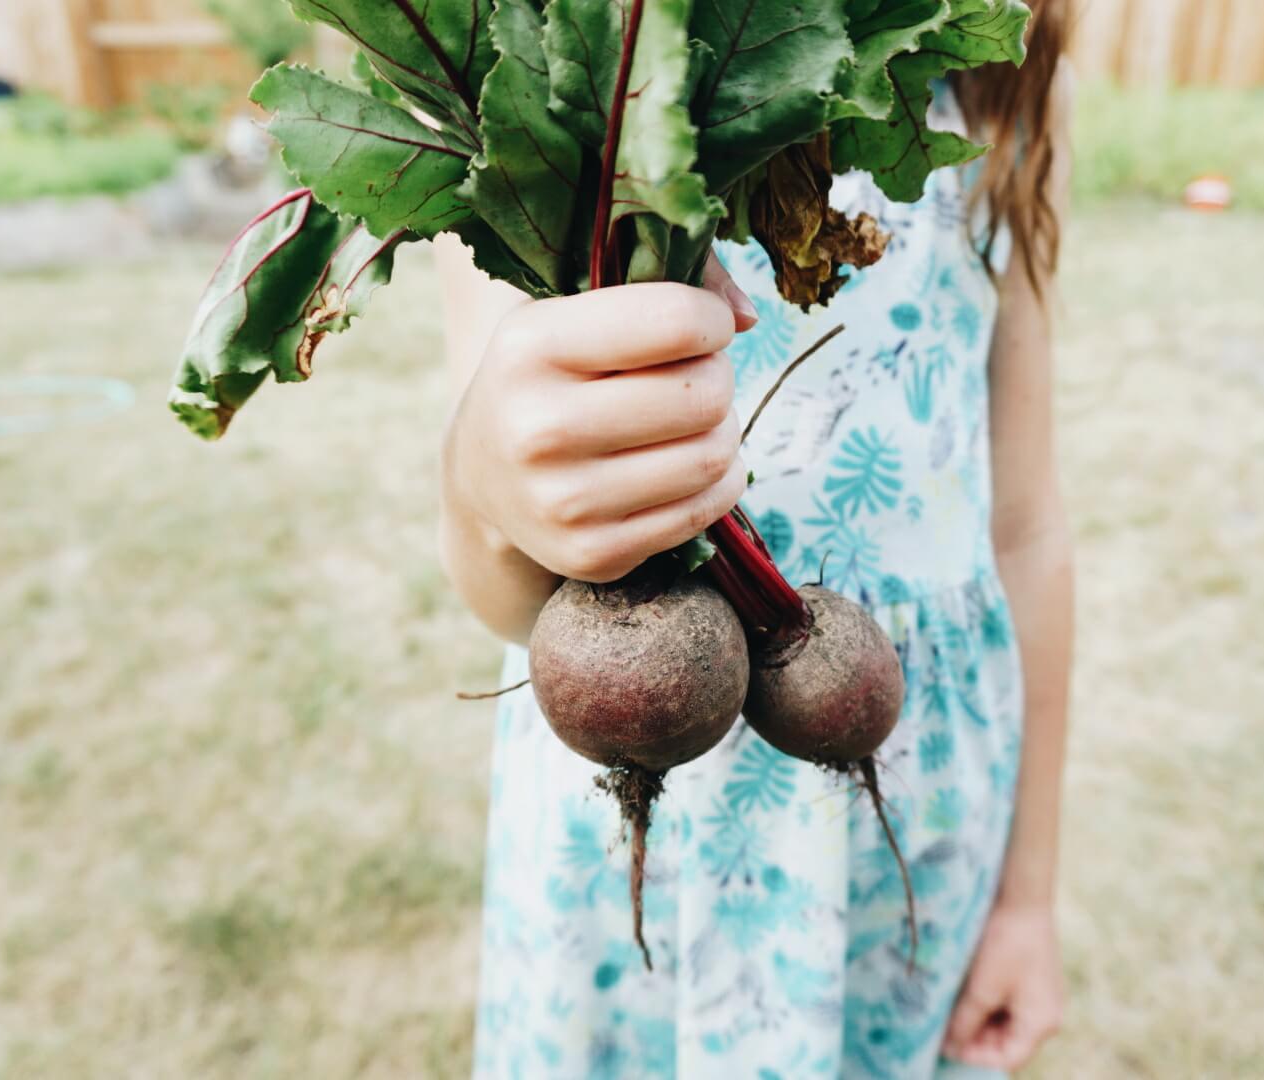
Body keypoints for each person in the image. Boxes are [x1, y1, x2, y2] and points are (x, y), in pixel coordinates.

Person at [434, 3, 1074, 1075]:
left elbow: (1028, 534)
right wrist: (488, 493)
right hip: (634, 789)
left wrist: (1028, 901)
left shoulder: (989, 82)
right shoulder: (547, 74)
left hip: (919, 804)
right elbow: (506, 587)